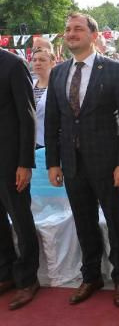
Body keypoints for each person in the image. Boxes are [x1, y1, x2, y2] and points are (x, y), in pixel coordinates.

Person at [45, 12, 119, 307]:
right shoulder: (59, 73)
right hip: (71, 163)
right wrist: (53, 162)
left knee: (114, 220)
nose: (71, 33)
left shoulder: (114, 69)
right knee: (83, 222)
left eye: (78, 29)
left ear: (93, 35)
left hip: (108, 163)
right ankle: (91, 276)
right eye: (68, 29)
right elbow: (52, 121)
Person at [0, 49, 39, 310]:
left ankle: (27, 279)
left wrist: (25, 163)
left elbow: (27, 116)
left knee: (21, 219)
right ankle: (5, 273)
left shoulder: (13, 64)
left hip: (11, 162)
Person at [31, 48, 57, 148]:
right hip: (29, 141)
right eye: (34, 60)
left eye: (42, 60)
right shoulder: (29, 85)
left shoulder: (57, 86)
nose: (37, 63)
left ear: (52, 63)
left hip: (48, 142)